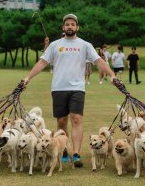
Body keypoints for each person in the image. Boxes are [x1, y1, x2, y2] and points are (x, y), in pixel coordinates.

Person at [22, 14, 116, 167]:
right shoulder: (55, 45)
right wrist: (27, 78)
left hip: (77, 88)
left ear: (77, 27)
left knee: (76, 118)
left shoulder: (85, 45)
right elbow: (42, 63)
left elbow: (99, 61)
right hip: (58, 88)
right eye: (67, 24)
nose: (70, 27)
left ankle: (76, 154)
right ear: (63, 28)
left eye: (73, 24)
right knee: (61, 121)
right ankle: (64, 149)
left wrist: (112, 75)